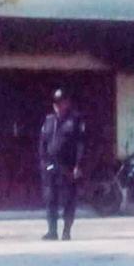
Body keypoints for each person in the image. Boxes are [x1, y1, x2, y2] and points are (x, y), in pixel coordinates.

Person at [39, 88, 85, 240]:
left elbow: (81, 144)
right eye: (56, 103)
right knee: (50, 198)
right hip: (50, 166)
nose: (58, 105)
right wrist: (43, 162)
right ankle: (52, 231)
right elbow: (42, 143)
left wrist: (78, 165)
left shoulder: (75, 120)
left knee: (68, 199)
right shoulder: (49, 120)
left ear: (67, 103)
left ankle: (66, 231)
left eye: (61, 102)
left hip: (68, 166)